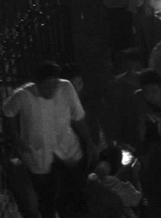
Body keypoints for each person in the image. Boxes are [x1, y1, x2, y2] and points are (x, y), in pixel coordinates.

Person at [3, 62, 97, 218]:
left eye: (54, 86)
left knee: (73, 193)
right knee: (46, 198)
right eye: (46, 87)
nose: (51, 91)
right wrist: (16, 139)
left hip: (67, 150)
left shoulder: (66, 88)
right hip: (39, 153)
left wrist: (88, 141)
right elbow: (8, 113)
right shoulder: (22, 95)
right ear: (37, 84)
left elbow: (78, 117)